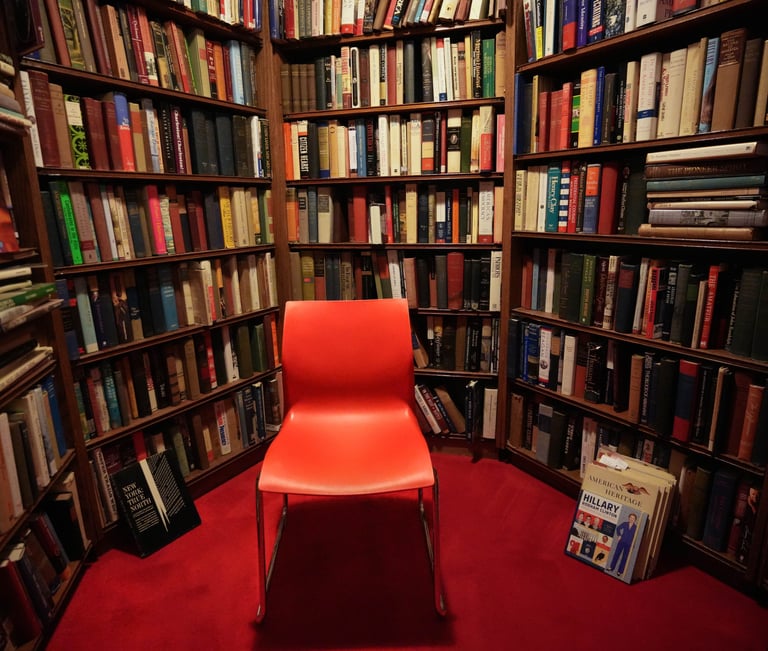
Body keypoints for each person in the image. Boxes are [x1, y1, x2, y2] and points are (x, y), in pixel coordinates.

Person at [608, 512, 638, 577]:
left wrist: (633, 544)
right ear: (629, 518)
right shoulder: (625, 524)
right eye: (630, 518)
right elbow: (618, 528)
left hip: (628, 544)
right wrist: (619, 535)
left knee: (624, 558)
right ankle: (611, 567)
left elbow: (636, 537)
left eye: (633, 518)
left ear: (635, 520)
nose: (631, 519)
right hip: (621, 542)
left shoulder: (636, 528)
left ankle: (620, 571)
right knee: (616, 554)